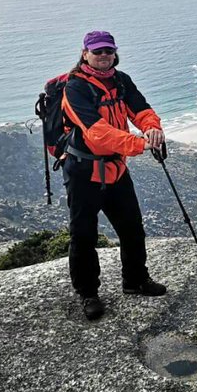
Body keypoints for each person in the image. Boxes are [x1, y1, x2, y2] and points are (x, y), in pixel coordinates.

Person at [61, 29, 167, 320]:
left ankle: (135, 281)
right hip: (84, 172)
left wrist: (152, 128)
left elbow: (141, 109)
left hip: (116, 168)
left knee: (132, 226)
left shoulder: (121, 80)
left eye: (108, 51)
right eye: (97, 52)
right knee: (83, 235)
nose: (104, 56)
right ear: (85, 54)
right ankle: (88, 294)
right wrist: (139, 144)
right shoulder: (75, 88)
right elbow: (97, 133)